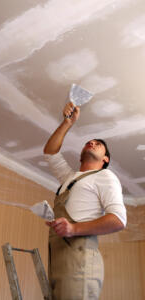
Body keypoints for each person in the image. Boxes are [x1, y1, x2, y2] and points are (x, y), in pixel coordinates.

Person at [43, 102, 127, 300]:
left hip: (79, 263)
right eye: (89, 141)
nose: (93, 142)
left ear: (105, 160)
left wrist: (73, 229)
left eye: (99, 144)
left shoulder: (105, 177)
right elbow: (49, 153)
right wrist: (67, 123)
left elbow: (118, 220)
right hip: (58, 260)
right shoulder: (69, 178)